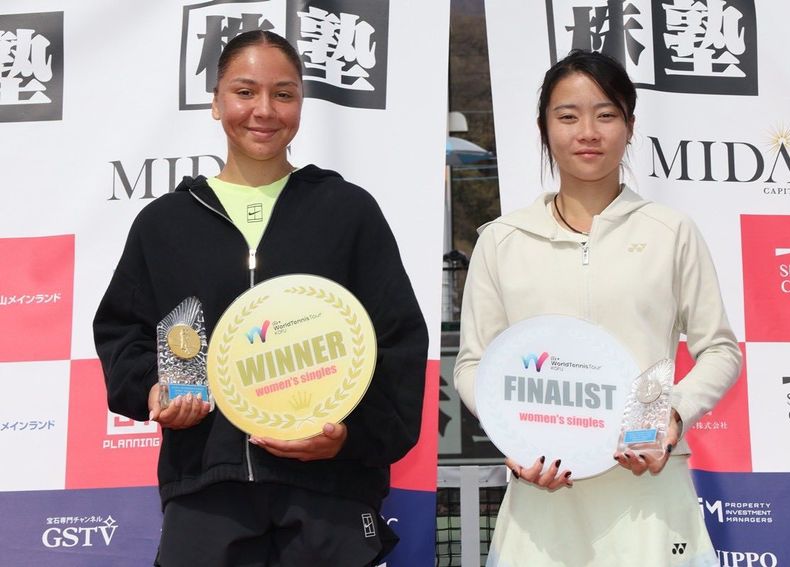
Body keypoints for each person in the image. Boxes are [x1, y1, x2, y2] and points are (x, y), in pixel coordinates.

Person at [93, 30, 428, 567]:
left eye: (284, 94)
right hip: (206, 490)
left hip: (330, 496)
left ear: (302, 104)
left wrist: (349, 436)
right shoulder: (164, 223)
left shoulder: (348, 211)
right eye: (245, 91)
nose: (265, 110)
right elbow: (121, 331)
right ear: (216, 102)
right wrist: (154, 388)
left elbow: (398, 343)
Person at [453, 50, 741, 567]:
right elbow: (474, 364)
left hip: (648, 490)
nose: (587, 132)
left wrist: (673, 413)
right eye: (568, 116)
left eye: (606, 114)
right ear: (544, 129)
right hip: (542, 491)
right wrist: (513, 432)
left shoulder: (671, 232)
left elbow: (720, 349)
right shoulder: (502, 240)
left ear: (629, 127)